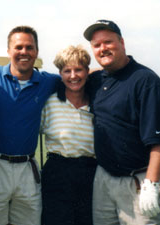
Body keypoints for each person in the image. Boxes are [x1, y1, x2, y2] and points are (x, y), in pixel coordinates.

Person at [83, 19, 160, 224]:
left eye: (108, 42)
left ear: (122, 42)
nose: (103, 49)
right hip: (103, 180)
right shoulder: (97, 80)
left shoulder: (145, 80)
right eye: (97, 45)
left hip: (137, 182)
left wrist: (151, 184)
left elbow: (157, 139)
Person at [0, 26, 61, 225]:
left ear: (36, 51)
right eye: (18, 47)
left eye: (29, 47)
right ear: (8, 51)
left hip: (28, 170)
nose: (24, 52)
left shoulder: (48, 82)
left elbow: (79, 77)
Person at [40, 45, 97, 225]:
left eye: (79, 69)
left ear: (87, 72)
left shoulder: (97, 103)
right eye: (67, 71)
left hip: (91, 173)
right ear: (60, 74)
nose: (73, 76)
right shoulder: (50, 103)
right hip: (58, 173)